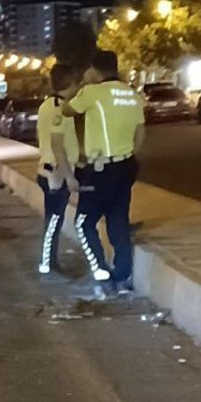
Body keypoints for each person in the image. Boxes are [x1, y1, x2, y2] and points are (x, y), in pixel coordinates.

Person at [62, 50, 145, 297]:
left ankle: (101, 270)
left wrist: (86, 84)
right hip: (126, 165)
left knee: (83, 222)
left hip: (100, 169)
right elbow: (141, 131)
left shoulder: (92, 92)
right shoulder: (131, 94)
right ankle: (123, 277)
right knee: (118, 220)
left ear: (95, 70)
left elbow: (67, 110)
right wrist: (129, 155)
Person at [36, 64, 82, 275]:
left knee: (53, 219)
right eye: (77, 82)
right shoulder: (59, 108)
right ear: (70, 82)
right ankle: (47, 262)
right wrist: (69, 176)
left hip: (49, 168)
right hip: (56, 172)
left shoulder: (48, 104)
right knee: (54, 220)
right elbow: (57, 144)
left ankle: (50, 261)